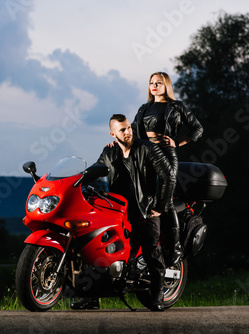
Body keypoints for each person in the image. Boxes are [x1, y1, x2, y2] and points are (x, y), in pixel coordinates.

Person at [70, 114, 176, 312]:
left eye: (128, 127)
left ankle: (157, 294)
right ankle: (91, 298)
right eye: (122, 130)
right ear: (112, 134)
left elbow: (168, 175)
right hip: (118, 212)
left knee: (152, 251)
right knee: (96, 247)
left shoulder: (147, 148)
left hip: (145, 210)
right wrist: (74, 184)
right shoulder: (109, 152)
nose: (128, 132)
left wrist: (159, 207)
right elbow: (94, 170)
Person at [132, 71, 203, 266]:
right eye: (151, 83)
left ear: (166, 86)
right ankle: (144, 252)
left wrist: (177, 142)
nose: (154, 86)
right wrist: (116, 142)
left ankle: (175, 249)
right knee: (145, 199)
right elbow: (131, 132)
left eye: (159, 83)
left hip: (166, 155)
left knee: (166, 201)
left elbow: (197, 128)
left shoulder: (176, 106)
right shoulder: (143, 108)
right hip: (146, 157)